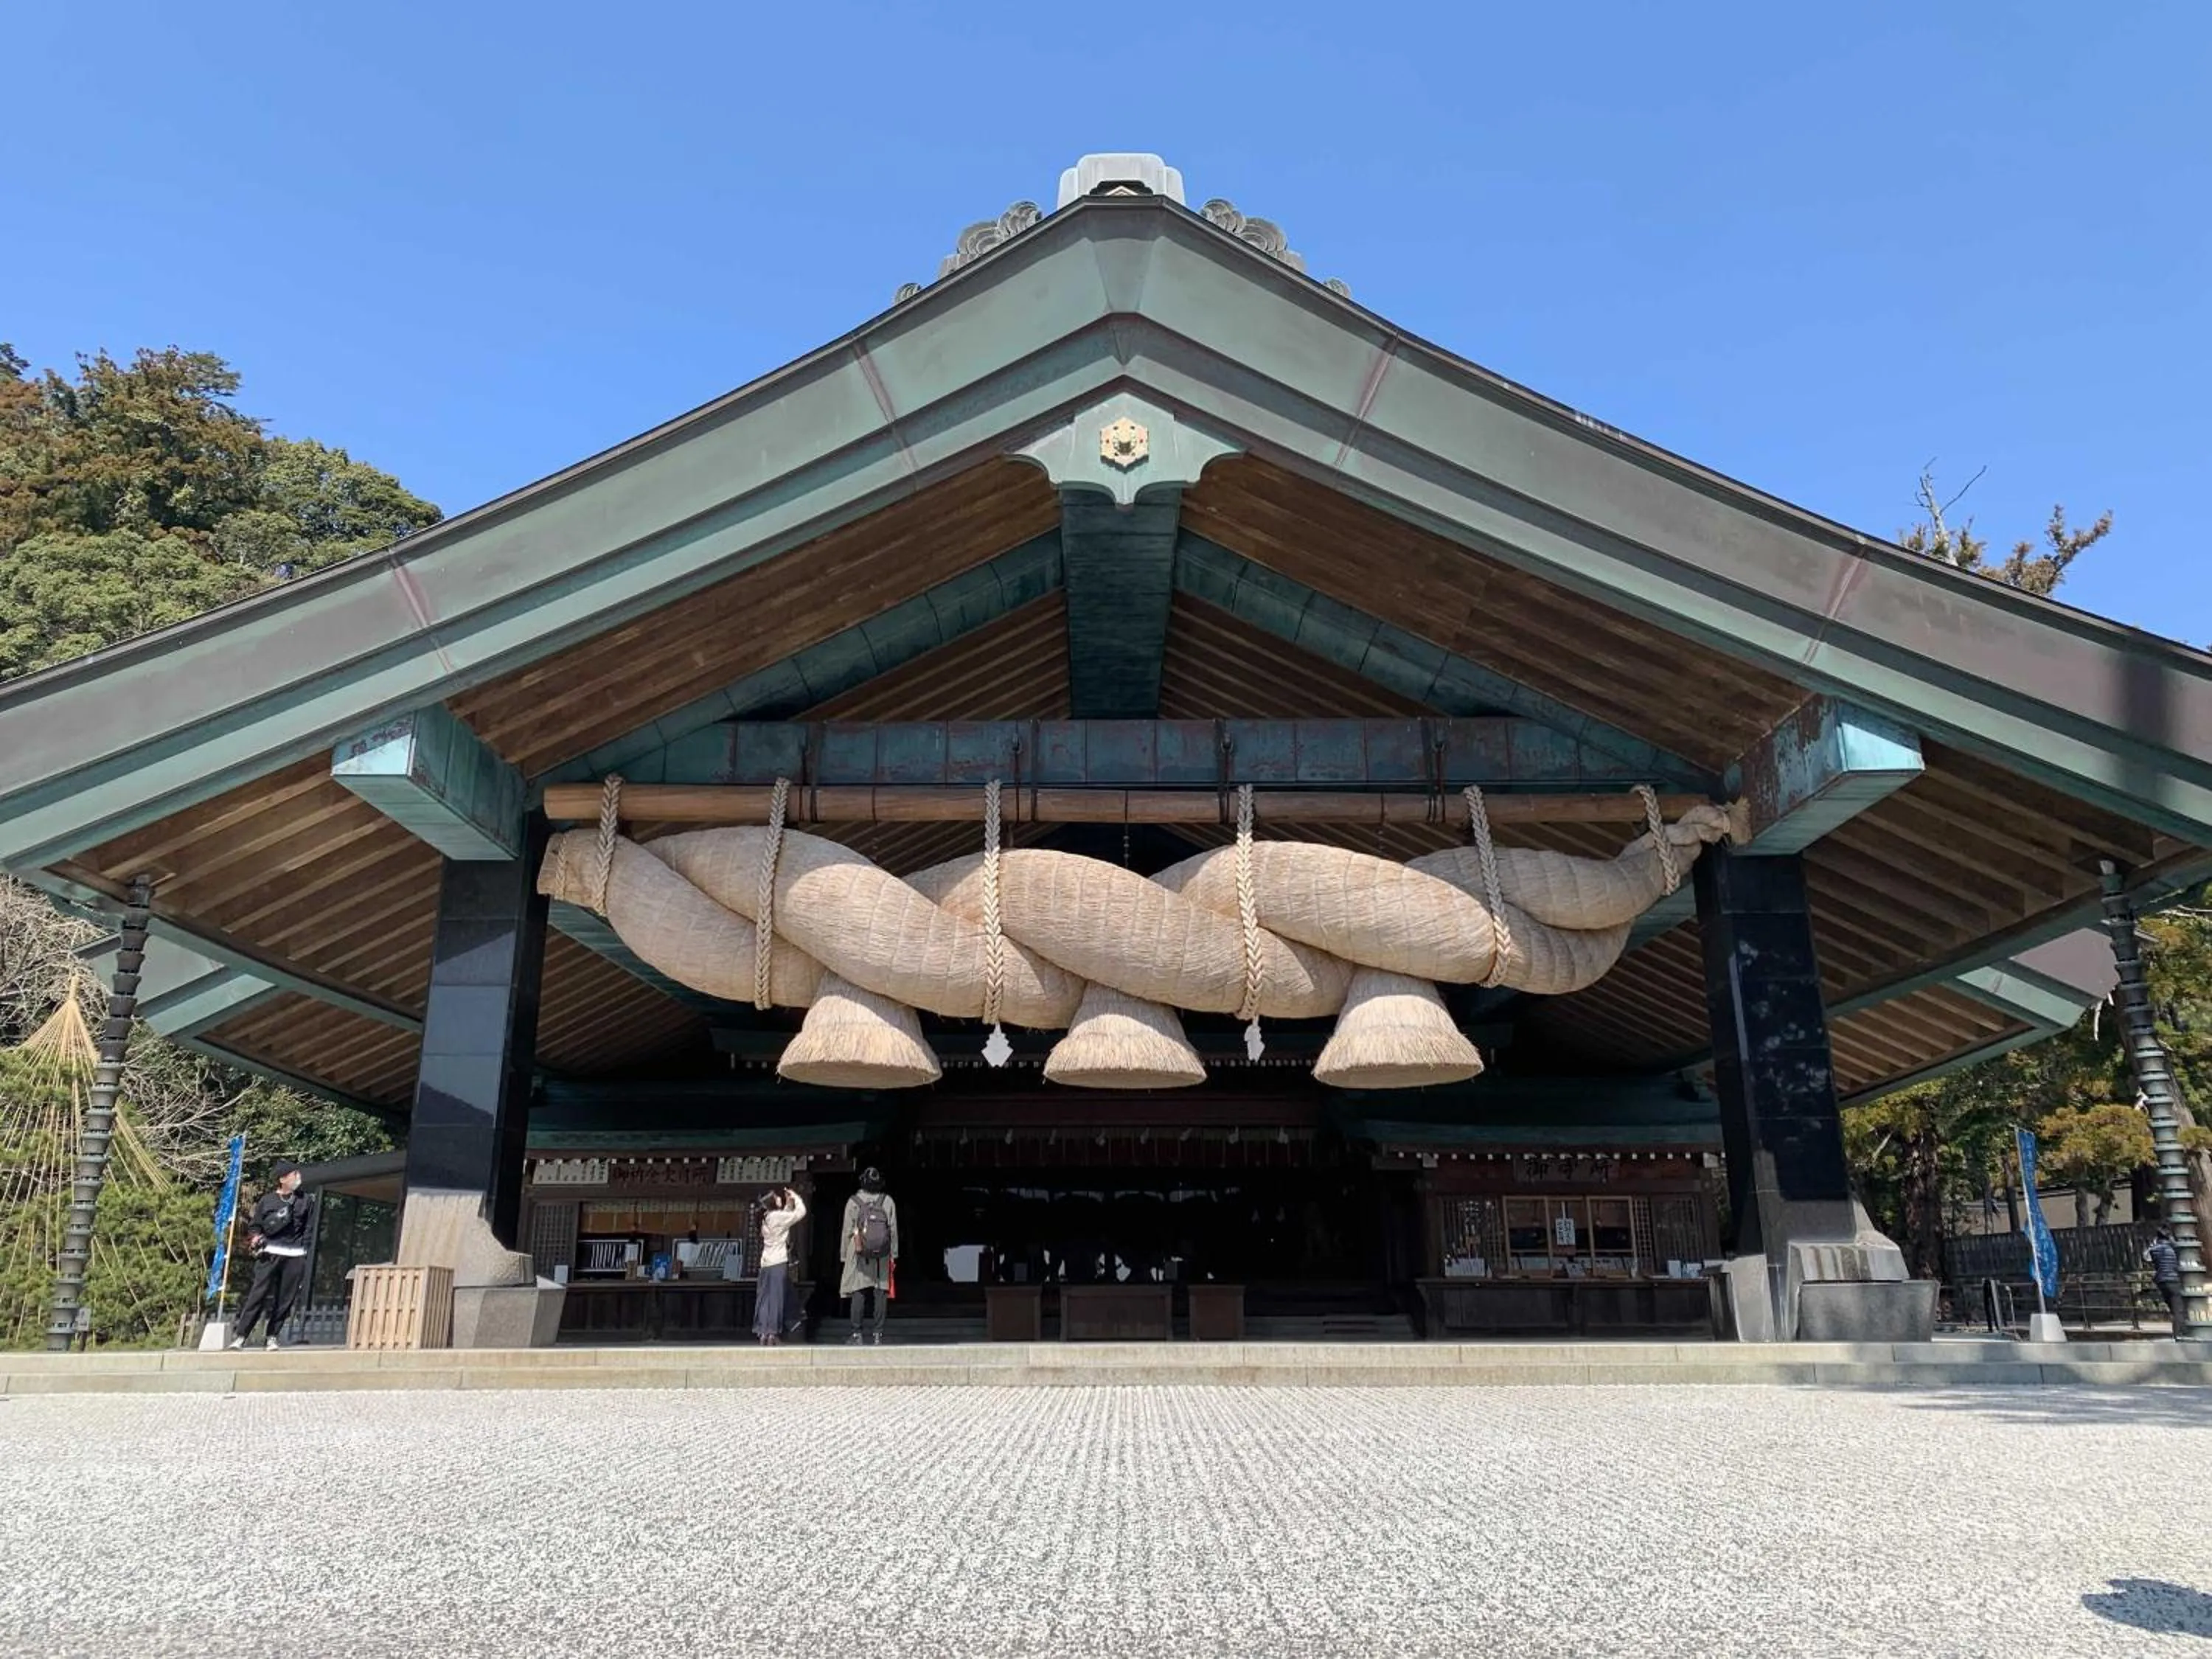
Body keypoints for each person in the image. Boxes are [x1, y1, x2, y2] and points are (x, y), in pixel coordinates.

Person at [229, 1161, 316, 1351]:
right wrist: (256, 1239)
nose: (298, 1178)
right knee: (258, 1294)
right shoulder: (267, 1201)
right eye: (294, 1174)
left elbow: (309, 1229)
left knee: (286, 1298)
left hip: (295, 1254)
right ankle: (241, 1336)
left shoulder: (306, 1200)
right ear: (282, 1179)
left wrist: (305, 1252)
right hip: (269, 1253)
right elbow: (255, 1226)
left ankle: (272, 1337)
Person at [840, 1168, 898, 1346]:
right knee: (880, 1292)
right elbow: (893, 1230)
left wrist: (844, 1255)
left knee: (859, 1291)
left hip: (858, 1252)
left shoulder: (853, 1202)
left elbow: (847, 1231)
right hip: (881, 1254)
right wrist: (894, 1253)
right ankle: (878, 1334)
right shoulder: (887, 1201)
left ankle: (857, 1334)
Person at [754, 1186, 806, 1346]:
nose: (779, 1198)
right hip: (778, 1262)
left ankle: (763, 1332)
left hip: (766, 1263)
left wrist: (788, 1204)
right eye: (776, 1197)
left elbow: (785, 1218)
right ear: (771, 1201)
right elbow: (800, 1213)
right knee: (776, 1299)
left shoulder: (766, 1217)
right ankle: (773, 1332)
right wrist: (796, 1198)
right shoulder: (777, 1217)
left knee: (765, 1299)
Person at [2144, 1226, 2188, 1332]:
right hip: (2173, 1279)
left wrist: (2152, 1244)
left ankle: (2179, 1331)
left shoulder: (2154, 1250)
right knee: (2179, 1309)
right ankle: (2179, 1333)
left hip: (2161, 1281)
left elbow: (2146, 1258)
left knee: (2173, 1308)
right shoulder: (2173, 1248)